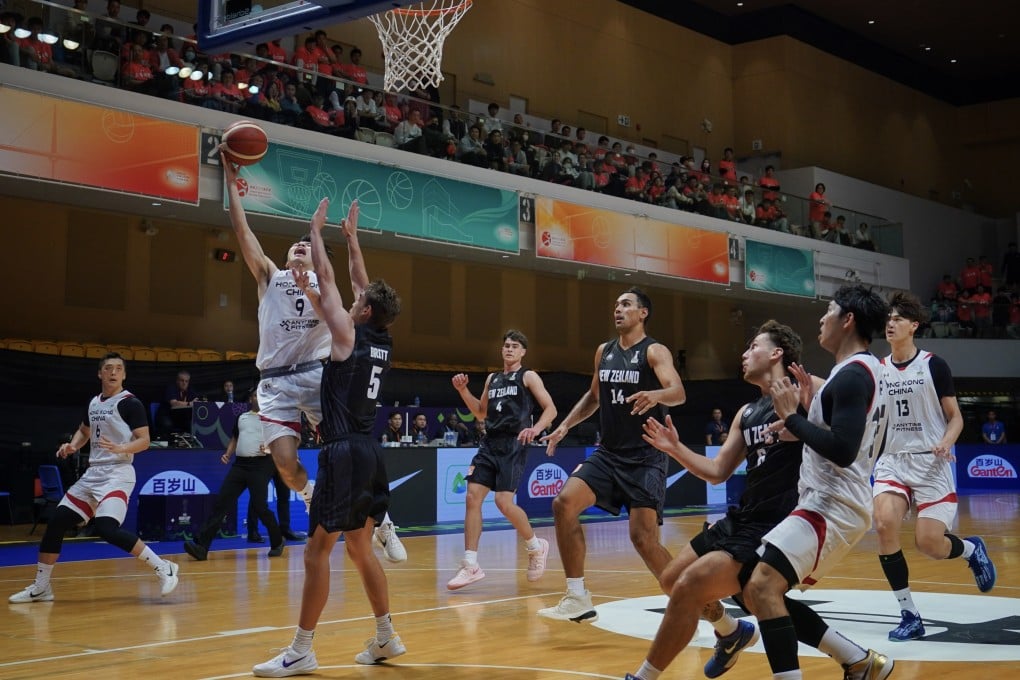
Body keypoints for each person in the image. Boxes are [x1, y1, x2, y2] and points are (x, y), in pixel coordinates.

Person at [627, 321, 892, 680]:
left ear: (777, 353)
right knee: (674, 581)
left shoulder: (811, 388)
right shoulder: (746, 412)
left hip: (783, 520)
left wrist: (801, 421)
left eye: (753, 347)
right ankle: (733, 632)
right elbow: (718, 470)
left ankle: (643, 676)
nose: (744, 354)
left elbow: (845, 441)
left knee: (699, 588)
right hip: (745, 515)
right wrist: (675, 448)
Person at [252, 197, 407, 676]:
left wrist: (319, 235)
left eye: (357, 303)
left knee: (318, 551)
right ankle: (386, 636)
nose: (352, 300)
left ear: (361, 312)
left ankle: (301, 649)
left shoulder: (346, 336)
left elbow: (337, 285)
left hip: (342, 453)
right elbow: (358, 284)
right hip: (370, 451)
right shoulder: (381, 338)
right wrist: (354, 241)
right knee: (359, 549)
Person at [740, 284, 891, 680]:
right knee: (757, 587)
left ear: (848, 320)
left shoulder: (853, 375)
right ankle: (860, 662)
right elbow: (855, 441)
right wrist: (804, 421)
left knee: (760, 587)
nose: (822, 319)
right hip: (830, 501)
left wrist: (793, 417)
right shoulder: (859, 372)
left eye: (829, 311)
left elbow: (843, 449)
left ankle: (854, 663)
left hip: (832, 504)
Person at [538, 288, 686, 622]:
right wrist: (564, 427)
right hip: (609, 453)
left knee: (644, 540)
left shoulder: (654, 351)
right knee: (563, 503)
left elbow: (678, 392)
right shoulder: (603, 352)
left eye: (625, 304)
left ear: (643, 313)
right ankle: (577, 597)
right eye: (615, 305)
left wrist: (656, 393)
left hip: (646, 456)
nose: (617, 309)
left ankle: (705, 610)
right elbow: (593, 397)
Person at [872, 292, 996, 643]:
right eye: (888, 319)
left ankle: (971, 550)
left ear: (914, 325)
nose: (891, 323)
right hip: (894, 461)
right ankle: (909, 613)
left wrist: (946, 441)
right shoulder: (877, 370)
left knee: (929, 544)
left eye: (898, 318)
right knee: (883, 524)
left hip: (932, 463)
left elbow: (955, 418)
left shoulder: (933, 365)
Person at [9, 353, 180, 604]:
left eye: (118, 369)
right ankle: (42, 587)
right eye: (108, 368)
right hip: (94, 474)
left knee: (106, 528)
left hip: (118, 473)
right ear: (100, 373)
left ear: (124, 375)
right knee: (57, 521)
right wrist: (73, 446)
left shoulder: (130, 403)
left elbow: (143, 440)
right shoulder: (94, 403)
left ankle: (163, 567)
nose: (113, 372)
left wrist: (121, 448)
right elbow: (84, 430)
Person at [446, 330, 558, 590]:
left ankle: (535, 546)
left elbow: (550, 409)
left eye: (514, 346)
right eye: (506, 345)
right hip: (489, 443)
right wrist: (463, 391)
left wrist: (536, 428)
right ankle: (471, 564)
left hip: (514, 443)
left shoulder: (528, 376)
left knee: (502, 502)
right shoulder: (492, 379)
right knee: (472, 497)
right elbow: (480, 412)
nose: (508, 349)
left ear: (523, 352)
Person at [184, 392, 285, 561]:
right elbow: (235, 438)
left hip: (262, 465)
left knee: (260, 506)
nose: (258, 398)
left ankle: (277, 541)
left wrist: (268, 447)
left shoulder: (273, 418)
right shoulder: (242, 417)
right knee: (221, 503)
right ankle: (201, 547)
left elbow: (281, 440)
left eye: (261, 395)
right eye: (255, 396)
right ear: (250, 399)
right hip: (240, 465)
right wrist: (228, 453)